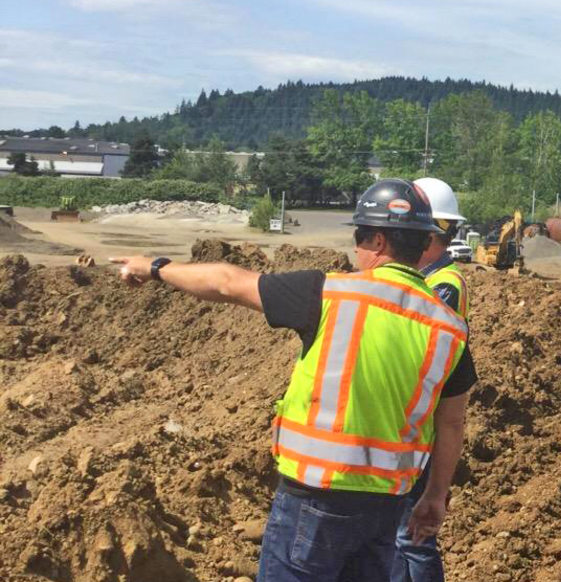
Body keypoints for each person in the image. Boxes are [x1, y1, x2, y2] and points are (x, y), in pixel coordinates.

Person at [112, 178, 476, 582]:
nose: (355, 249)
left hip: (315, 496)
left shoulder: (329, 293)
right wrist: (435, 496)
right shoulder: (449, 328)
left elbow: (226, 282)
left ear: (376, 241)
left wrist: (155, 267)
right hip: (387, 505)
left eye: (358, 238)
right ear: (422, 242)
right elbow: (452, 423)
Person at [391, 177, 471, 582]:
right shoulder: (433, 278)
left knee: (412, 537)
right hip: (416, 422)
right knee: (400, 535)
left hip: (421, 425)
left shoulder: (443, 285)